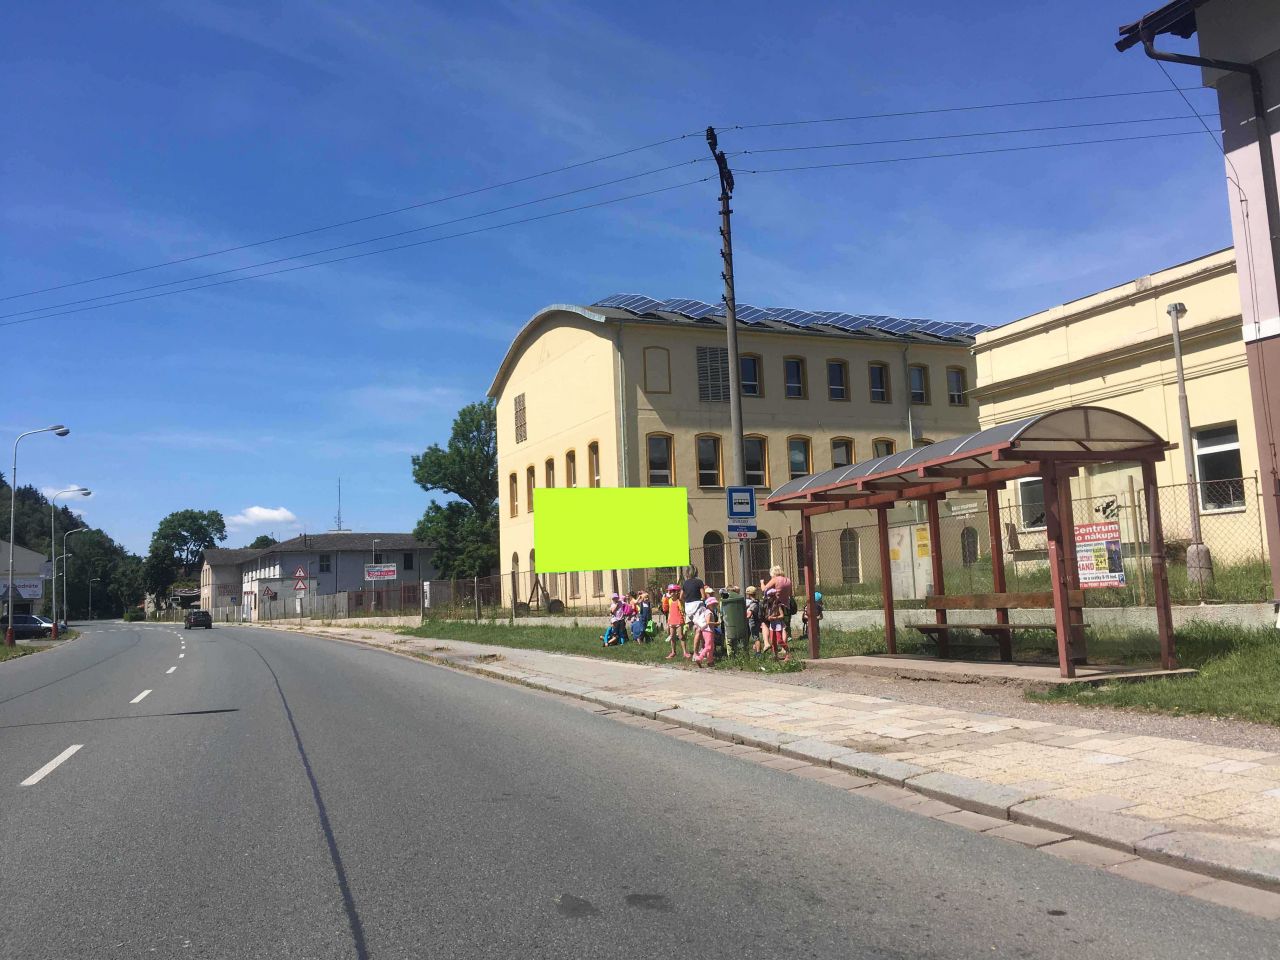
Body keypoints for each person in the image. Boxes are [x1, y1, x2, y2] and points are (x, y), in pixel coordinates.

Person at [759, 565, 793, 649]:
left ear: (773, 573)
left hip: (774, 605)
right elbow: (790, 594)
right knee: (784, 627)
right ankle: (783, 647)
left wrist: (762, 583)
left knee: (765, 623)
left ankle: (767, 643)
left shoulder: (775, 579)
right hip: (786, 605)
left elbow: (764, 589)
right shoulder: (788, 580)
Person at [763, 587, 790, 662]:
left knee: (779, 640)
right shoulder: (769, 606)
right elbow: (766, 615)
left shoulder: (778, 605)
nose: (769, 598)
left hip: (778, 624)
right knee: (773, 641)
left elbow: (782, 615)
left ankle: (788, 652)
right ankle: (775, 655)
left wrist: (774, 617)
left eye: (771, 596)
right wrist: (768, 617)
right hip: (772, 625)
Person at [691, 594, 718, 667]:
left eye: (715, 604)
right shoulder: (708, 612)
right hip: (708, 631)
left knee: (711, 646)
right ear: (709, 605)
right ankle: (699, 658)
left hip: (707, 630)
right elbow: (708, 622)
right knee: (708, 647)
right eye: (713, 604)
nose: (714, 606)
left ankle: (710, 661)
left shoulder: (707, 611)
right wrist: (716, 623)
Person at [664, 584, 689, 660]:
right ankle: (673, 652)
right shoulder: (669, 600)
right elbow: (669, 611)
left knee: (681, 636)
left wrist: (685, 621)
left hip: (679, 621)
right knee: (672, 637)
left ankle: (685, 652)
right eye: (670, 592)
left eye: (673, 591)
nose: (671, 593)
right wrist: (668, 622)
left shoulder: (679, 601)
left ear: (677, 592)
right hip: (671, 621)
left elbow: (682, 611)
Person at [744, 585, 763, 655]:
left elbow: (749, 615)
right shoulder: (756, 602)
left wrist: (743, 617)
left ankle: (758, 653)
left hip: (753, 622)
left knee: (756, 637)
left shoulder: (753, 604)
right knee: (753, 636)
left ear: (749, 594)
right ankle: (755, 650)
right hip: (755, 621)